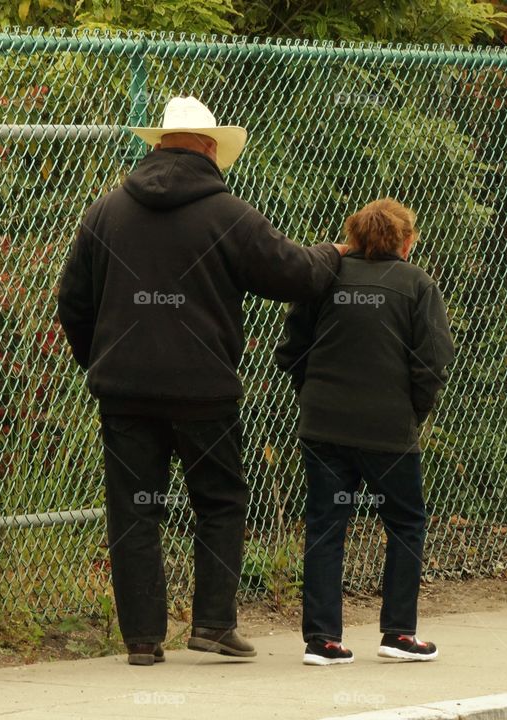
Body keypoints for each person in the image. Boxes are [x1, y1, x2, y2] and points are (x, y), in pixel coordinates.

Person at [58, 96, 345, 666]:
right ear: (211, 147)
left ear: (157, 143)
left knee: (136, 508)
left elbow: (72, 301)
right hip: (204, 391)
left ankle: (142, 640)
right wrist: (335, 252)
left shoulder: (105, 211)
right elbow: (293, 274)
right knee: (220, 500)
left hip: (125, 393)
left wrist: (102, 362)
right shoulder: (228, 214)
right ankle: (213, 624)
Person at [275, 198, 454, 666]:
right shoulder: (417, 285)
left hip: (324, 425)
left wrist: (313, 396)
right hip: (388, 431)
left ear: (350, 237)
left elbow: (292, 349)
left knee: (325, 526)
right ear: (408, 241)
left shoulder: (324, 279)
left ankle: (323, 641)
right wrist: (413, 412)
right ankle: (398, 634)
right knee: (406, 523)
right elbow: (431, 360)